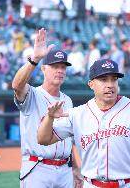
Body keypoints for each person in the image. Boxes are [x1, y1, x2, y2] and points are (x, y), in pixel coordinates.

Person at [38, 59, 130, 188]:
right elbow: (43, 139)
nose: (110, 84)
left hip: (129, 184)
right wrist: (50, 118)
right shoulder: (78, 114)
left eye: (114, 79)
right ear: (91, 84)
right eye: (103, 79)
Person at [12, 28, 81, 188]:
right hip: (38, 168)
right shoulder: (32, 94)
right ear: (43, 69)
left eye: (63, 67)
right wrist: (35, 59)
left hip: (64, 169)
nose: (60, 70)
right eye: (55, 66)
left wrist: (75, 168)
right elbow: (16, 85)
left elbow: (67, 138)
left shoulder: (67, 100)